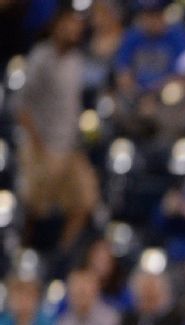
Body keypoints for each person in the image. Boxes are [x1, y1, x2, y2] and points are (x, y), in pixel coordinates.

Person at [15, 6, 99, 254]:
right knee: (35, 210)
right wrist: (38, 147)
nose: (74, 29)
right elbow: (22, 108)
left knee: (86, 201)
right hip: (43, 145)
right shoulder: (41, 57)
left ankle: (61, 255)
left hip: (70, 146)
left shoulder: (77, 60)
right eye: (69, 23)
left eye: (77, 25)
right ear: (57, 25)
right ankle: (22, 253)